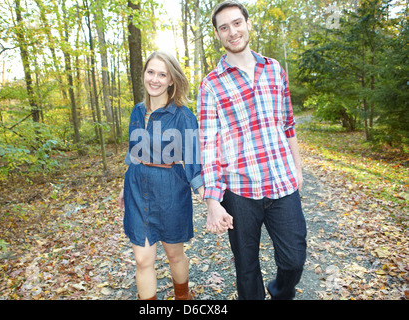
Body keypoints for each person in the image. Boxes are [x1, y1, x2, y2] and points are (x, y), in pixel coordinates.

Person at [197, 1, 307, 300]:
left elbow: (288, 124)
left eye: (236, 23)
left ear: (247, 24)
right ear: (218, 35)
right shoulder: (211, 85)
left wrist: (297, 169)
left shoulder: (273, 69)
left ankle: (280, 292)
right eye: (224, 27)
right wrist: (212, 201)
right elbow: (208, 145)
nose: (232, 32)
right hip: (240, 191)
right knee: (246, 267)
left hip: (282, 184)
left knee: (294, 260)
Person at [118, 51, 203, 300]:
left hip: (170, 192)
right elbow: (134, 151)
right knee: (143, 260)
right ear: (144, 74)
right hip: (136, 189)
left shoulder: (183, 116)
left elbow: (193, 159)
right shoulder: (137, 111)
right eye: (151, 72)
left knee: (174, 254)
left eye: (162, 74)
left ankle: (183, 297)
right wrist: (124, 185)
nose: (155, 79)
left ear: (171, 80)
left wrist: (204, 194)